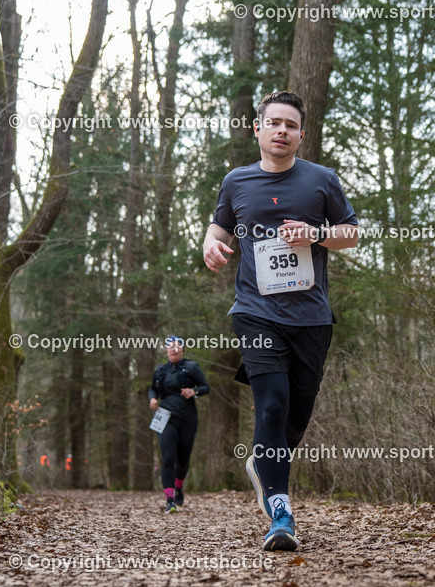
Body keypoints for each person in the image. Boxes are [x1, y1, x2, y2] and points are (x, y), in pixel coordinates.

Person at [202, 90, 359, 550]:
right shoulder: (237, 182)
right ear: (258, 129)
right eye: (274, 123)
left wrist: (316, 234)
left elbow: (351, 234)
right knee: (270, 406)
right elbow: (219, 225)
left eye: (291, 125)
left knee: (295, 416)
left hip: (312, 317)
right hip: (256, 312)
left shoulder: (321, 180)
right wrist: (210, 243)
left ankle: (264, 463)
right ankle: (280, 514)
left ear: (301, 134)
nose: (282, 131)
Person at [148, 336, 210, 513]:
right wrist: (152, 398)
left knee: (183, 461)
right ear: (166, 351)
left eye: (178, 347)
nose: (174, 350)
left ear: (183, 350)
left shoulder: (191, 367)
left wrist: (194, 391)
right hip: (165, 418)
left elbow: (206, 387)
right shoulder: (160, 370)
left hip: (188, 419)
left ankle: (179, 486)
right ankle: (170, 500)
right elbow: (152, 388)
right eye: (171, 347)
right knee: (168, 459)